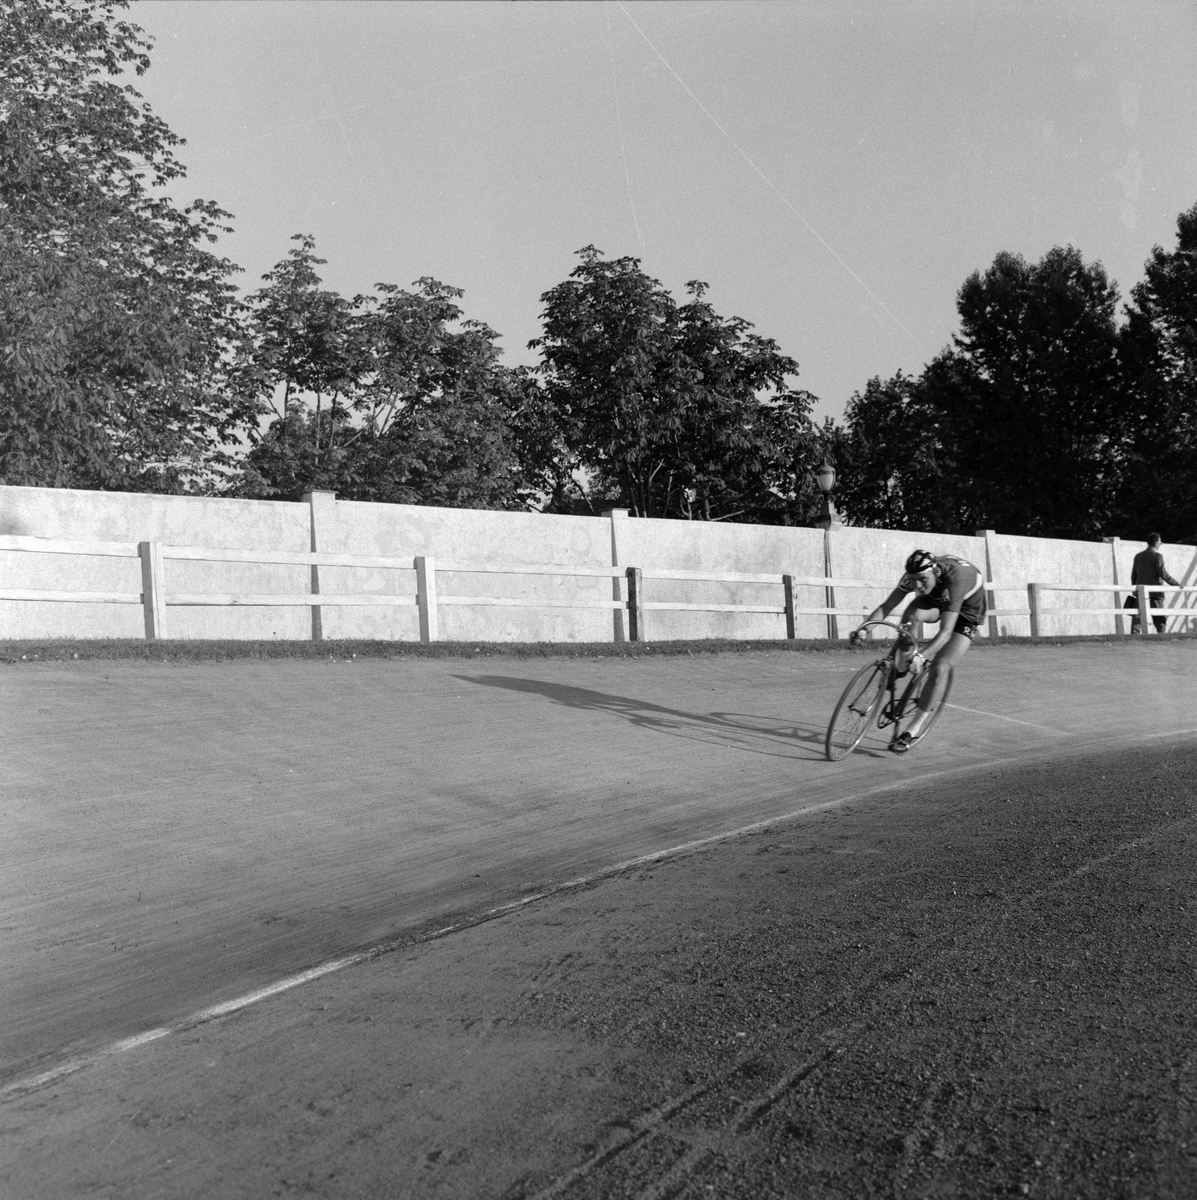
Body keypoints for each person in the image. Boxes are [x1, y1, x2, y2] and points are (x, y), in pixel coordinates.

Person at [850, 549, 987, 753]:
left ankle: (912, 730)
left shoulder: (954, 581)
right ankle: (903, 664)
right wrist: (865, 629)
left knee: (940, 668)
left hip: (966, 612)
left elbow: (946, 633)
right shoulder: (915, 577)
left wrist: (922, 655)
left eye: (922, 579)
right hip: (938, 599)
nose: (916, 585)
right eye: (913, 580)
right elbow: (887, 605)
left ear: (935, 572)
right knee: (910, 615)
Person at [1128, 533, 1179, 634]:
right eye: (1160, 542)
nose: (1161, 544)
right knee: (1160, 619)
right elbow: (1163, 574)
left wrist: (1135, 590)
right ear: (1156, 543)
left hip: (1140, 592)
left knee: (1138, 616)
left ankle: (1134, 637)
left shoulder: (1138, 556)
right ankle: (1161, 638)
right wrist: (1177, 584)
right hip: (1155, 593)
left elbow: (1134, 576)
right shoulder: (1157, 556)